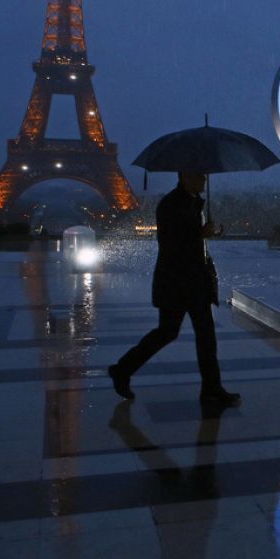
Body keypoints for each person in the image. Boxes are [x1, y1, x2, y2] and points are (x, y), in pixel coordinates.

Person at [108, 172, 240, 406]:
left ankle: (211, 388)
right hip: (178, 283)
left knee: (201, 336)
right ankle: (122, 369)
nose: (204, 180)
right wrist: (200, 234)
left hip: (190, 282)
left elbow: (187, 240)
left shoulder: (187, 202)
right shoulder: (172, 204)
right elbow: (171, 243)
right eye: (201, 176)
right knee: (172, 333)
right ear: (185, 176)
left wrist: (207, 233)